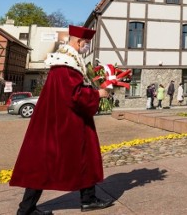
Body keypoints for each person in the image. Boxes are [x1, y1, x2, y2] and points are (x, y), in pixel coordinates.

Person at [9, 25, 113, 215]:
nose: (88, 47)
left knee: (78, 158)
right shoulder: (67, 64)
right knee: (43, 162)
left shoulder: (68, 61)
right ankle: (26, 210)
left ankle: (87, 199)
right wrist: (98, 93)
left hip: (64, 119)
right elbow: (74, 95)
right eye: (87, 43)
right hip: (66, 121)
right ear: (78, 42)